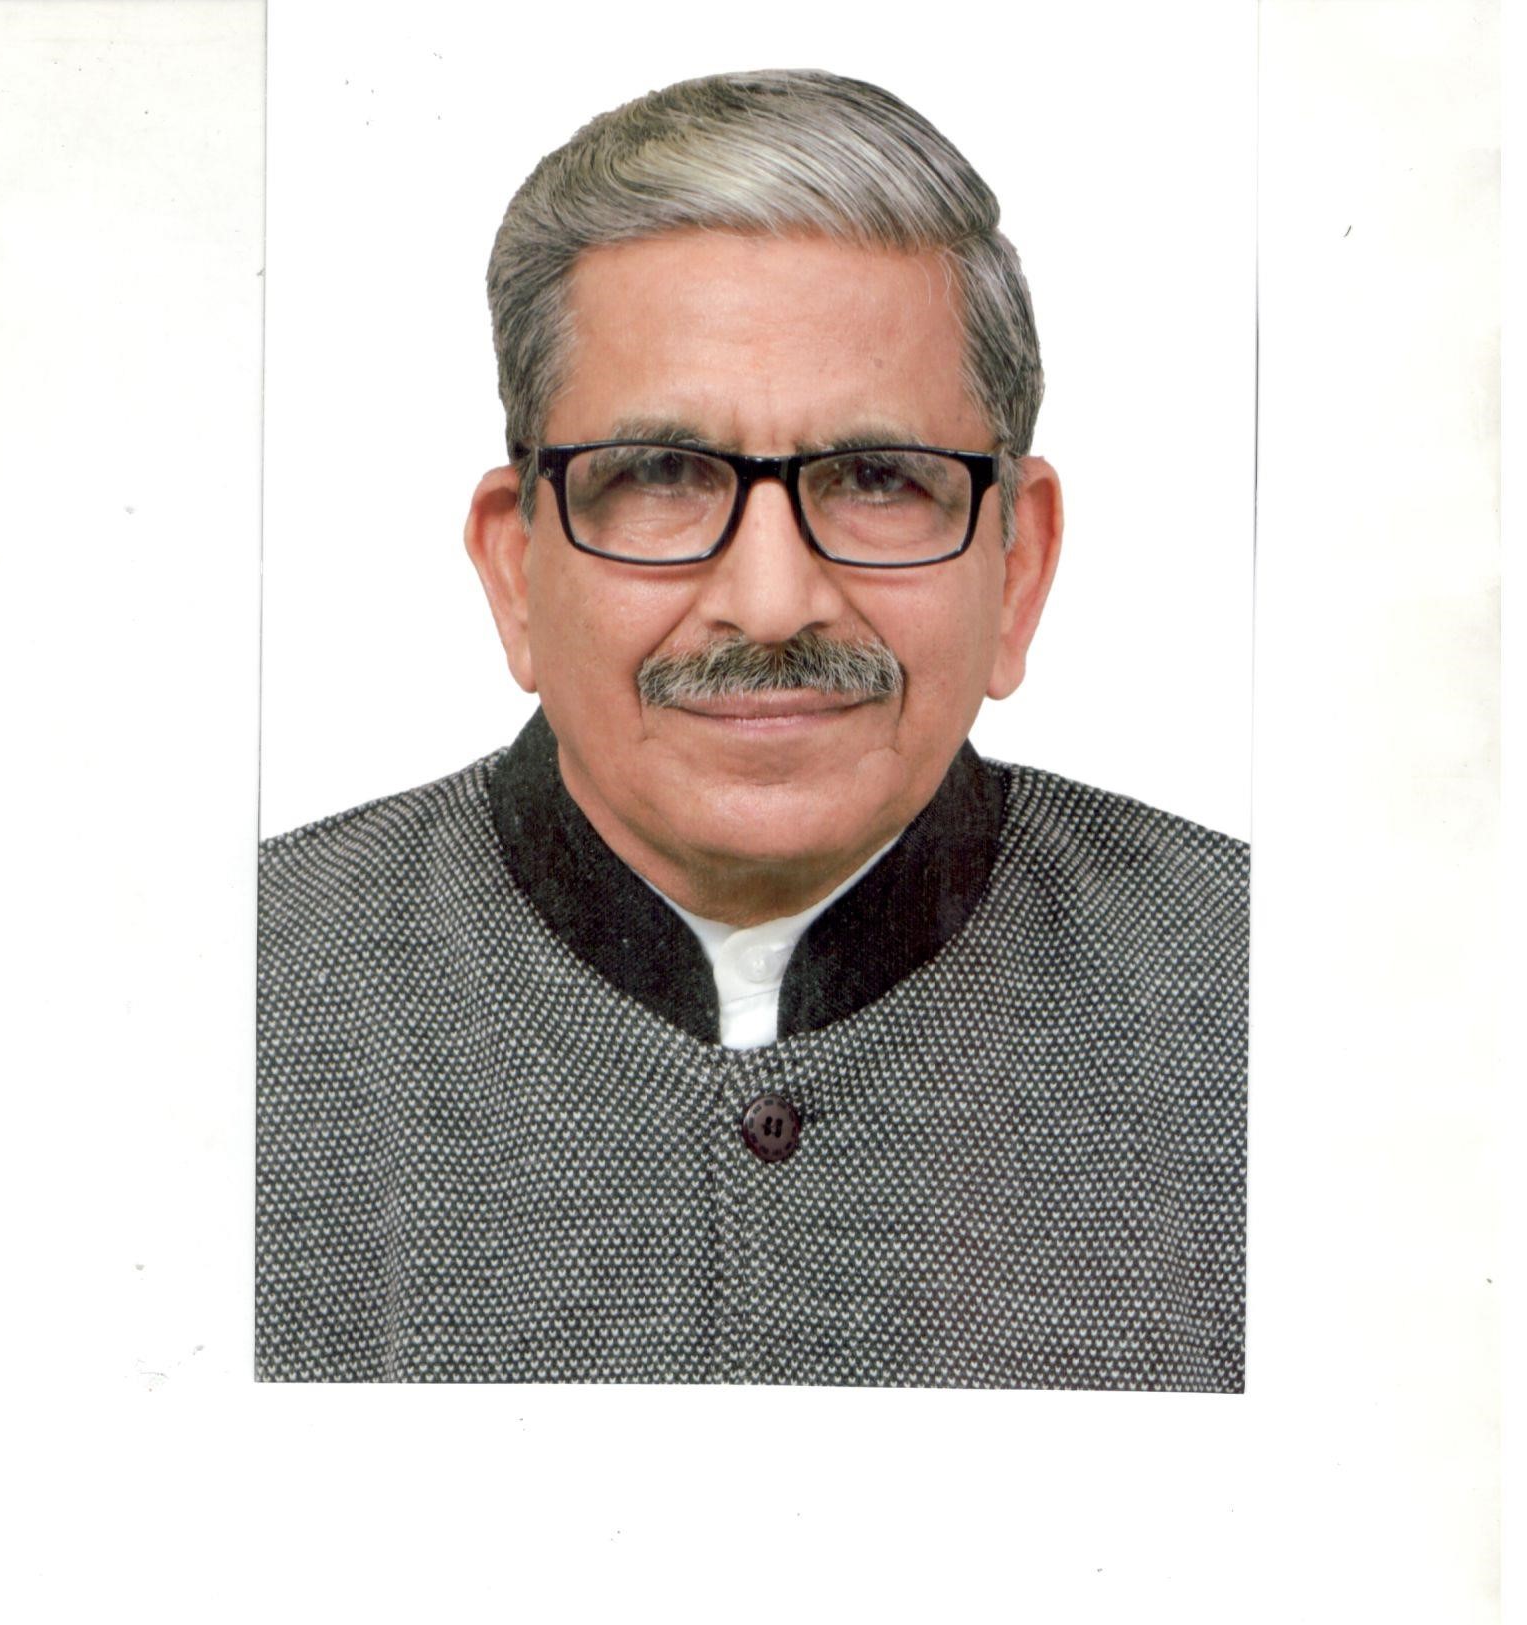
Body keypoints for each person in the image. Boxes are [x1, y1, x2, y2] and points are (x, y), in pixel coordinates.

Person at [257, 69, 1248, 1389]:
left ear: (1017, 566)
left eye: (879, 479)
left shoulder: (1295, 1001)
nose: (773, 602)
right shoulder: (215, 995)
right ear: (516, 568)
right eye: (661, 476)